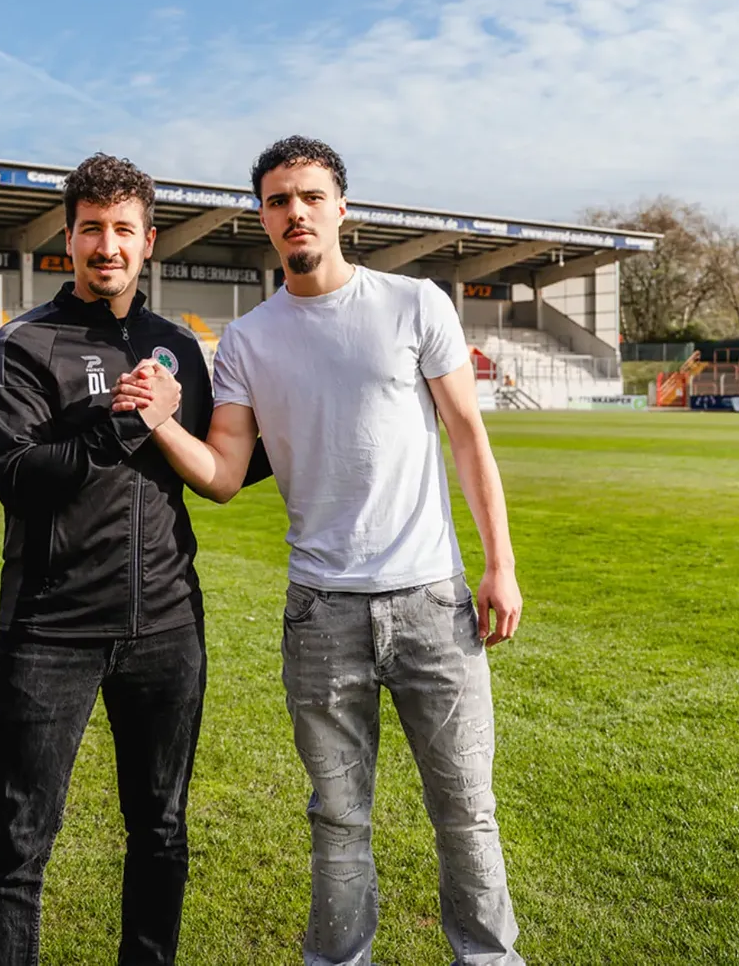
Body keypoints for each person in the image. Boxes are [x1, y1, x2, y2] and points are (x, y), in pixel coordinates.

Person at [114, 136, 526, 965]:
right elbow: (224, 474)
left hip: (432, 601)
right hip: (321, 615)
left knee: (467, 810)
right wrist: (159, 421)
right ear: (264, 219)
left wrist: (500, 562)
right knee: (337, 819)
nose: (294, 212)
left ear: (342, 208)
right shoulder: (248, 341)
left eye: (309, 196)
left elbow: (468, 436)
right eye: (277, 200)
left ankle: (489, 957)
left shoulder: (414, 303)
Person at [0, 151, 267, 965]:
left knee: (161, 828)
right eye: (92, 228)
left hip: (167, 629)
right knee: (18, 846)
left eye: (124, 229)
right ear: (68, 238)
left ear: (149, 240)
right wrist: (127, 421)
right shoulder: (23, 345)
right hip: (51, 631)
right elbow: (19, 478)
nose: (108, 245)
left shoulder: (178, 346)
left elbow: (220, 459)